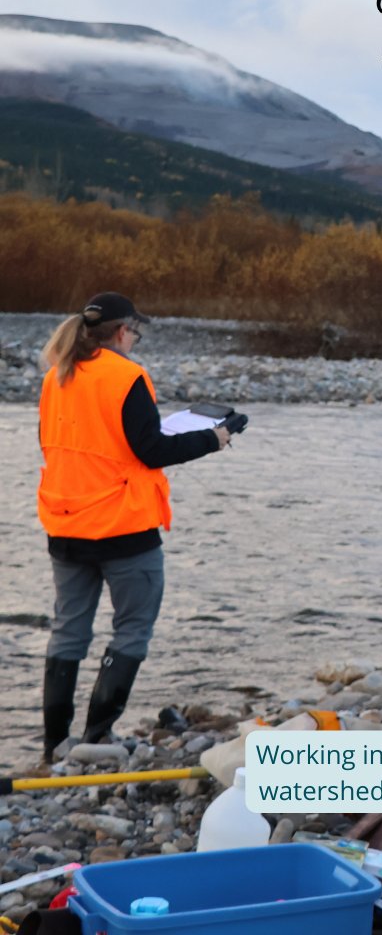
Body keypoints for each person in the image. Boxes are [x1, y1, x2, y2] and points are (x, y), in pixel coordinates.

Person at [37, 292, 234, 762]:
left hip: (66, 522)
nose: (135, 340)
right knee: (130, 632)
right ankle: (98, 738)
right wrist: (214, 437)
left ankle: (55, 746)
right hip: (124, 527)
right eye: (136, 332)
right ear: (124, 331)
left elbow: (57, 443)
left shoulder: (56, 376)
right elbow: (151, 450)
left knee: (68, 632)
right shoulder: (127, 376)